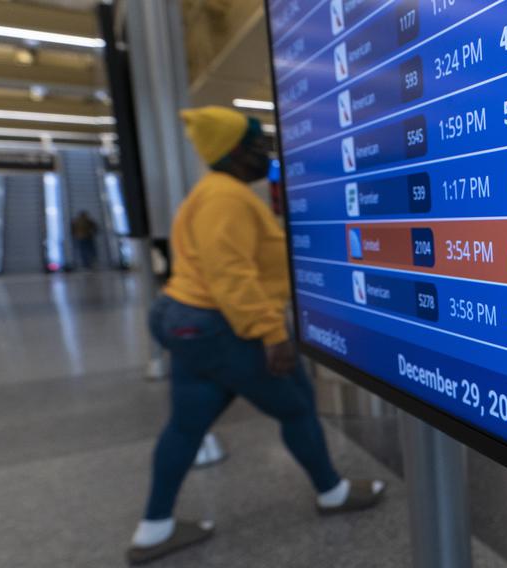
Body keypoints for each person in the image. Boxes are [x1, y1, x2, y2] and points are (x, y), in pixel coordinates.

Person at [127, 106, 386, 565]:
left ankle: (154, 528)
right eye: (257, 144)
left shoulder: (210, 193)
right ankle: (332, 491)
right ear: (232, 152)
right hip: (221, 324)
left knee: (186, 424)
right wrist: (271, 334)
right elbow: (232, 276)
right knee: (297, 406)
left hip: (189, 321)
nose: (266, 151)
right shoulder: (226, 199)